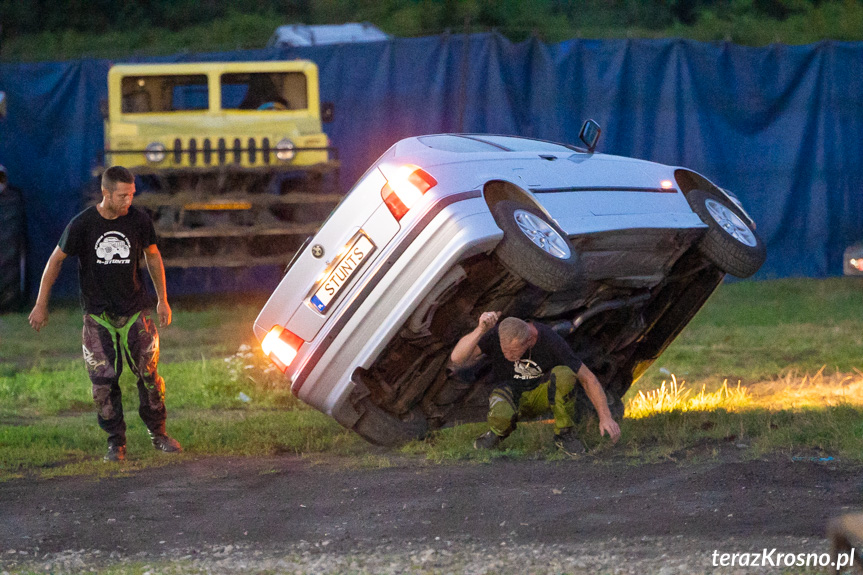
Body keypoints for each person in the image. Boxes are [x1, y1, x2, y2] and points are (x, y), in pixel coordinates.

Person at [28, 166, 182, 462]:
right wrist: (40, 304)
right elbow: (54, 261)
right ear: (105, 193)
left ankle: (158, 433)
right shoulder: (83, 224)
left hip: (136, 310)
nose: (128, 201)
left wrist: (163, 300)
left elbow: (152, 255)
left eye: (132, 195)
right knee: (102, 381)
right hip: (98, 315)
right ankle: (115, 441)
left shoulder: (139, 220)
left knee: (149, 375)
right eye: (122, 196)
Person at [450, 311, 621, 453]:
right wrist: (480, 330)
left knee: (565, 373)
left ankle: (564, 435)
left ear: (530, 341)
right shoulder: (499, 333)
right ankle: (497, 432)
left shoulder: (550, 340)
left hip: (540, 394)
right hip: (509, 394)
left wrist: (606, 417)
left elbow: (588, 378)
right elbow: (457, 358)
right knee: (501, 412)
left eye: (513, 351)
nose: (508, 356)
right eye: (505, 351)